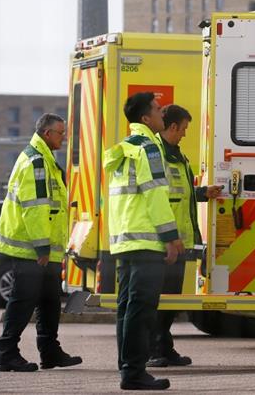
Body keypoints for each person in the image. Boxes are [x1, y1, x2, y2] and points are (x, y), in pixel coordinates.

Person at [103, 92, 184, 391]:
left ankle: (127, 367)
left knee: (127, 308)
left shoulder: (125, 148)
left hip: (125, 240)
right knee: (141, 310)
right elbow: (155, 195)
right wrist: (170, 237)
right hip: (147, 241)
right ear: (146, 118)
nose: (163, 113)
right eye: (158, 109)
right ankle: (134, 373)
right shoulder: (149, 148)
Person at [0, 113, 82, 372]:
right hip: (32, 249)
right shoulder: (37, 163)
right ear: (47, 133)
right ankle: (7, 353)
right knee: (23, 300)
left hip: (44, 249)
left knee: (49, 302)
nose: (63, 137)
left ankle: (50, 351)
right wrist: (42, 246)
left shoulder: (43, 159)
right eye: (60, 133)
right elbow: (36, 208)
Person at [147, 104, 222, 368]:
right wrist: (168, 237)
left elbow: (181, 193)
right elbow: (157, 199)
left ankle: (164, 347)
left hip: (178, 241)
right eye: (184, 129)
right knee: (159, 301)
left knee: (170, 301)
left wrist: (203, 193)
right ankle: (152, 351)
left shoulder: (177, 156)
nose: (185, 134)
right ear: (173, 127)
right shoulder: (157, 155)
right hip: (163, 242)